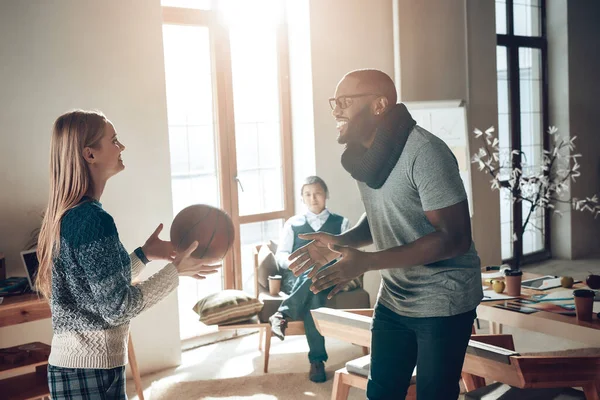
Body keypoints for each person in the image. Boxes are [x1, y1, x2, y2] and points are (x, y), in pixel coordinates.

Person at [288, 69, 483, 400]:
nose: (336, 110)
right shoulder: (367, 160)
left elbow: (454, 238)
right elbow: (381, 215)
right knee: (381, 393)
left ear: (379, 105)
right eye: (334, 102)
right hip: (395, 297)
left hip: (443, 297)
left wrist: (367, 262)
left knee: (434, 395)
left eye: (345, 102)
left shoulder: (425, 153)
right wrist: (340, 243)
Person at [36, 110, 220, 399]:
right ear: (89, 154)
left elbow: (95, 288)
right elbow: (117, 307)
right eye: (114, 140)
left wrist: (144, 255)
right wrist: (175, 272)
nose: (122, 147)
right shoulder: (93, 220)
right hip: (91, 373)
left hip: (75, 368)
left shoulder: (69, 214)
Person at [269, 176, 349, 383]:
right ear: (302, 198)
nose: (313, 198)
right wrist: (297, 263)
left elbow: (348, 254)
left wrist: (326, 261)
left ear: (326, 195)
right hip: (296, 278)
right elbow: (281, 255)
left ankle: (282, 313)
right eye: (308, 194)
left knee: (317, 275)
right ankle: (317, 361)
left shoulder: (342, 223)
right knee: (314, 288)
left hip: (331, 275)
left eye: (318, 193)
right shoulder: (292, 224)